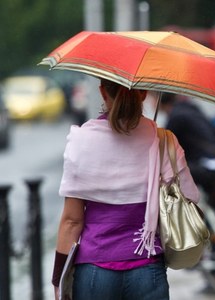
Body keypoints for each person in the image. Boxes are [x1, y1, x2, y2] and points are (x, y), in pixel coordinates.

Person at [52, 79, 200, 299]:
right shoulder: (163, 141)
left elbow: (72, 221)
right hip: (148, 270)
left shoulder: (81, 140)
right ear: (144, 94)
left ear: (103, 92)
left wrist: (58, 280)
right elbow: (190, 197)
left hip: (94, 272)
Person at [159, 93, 215, 292]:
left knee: (192, 209)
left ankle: (193, 246)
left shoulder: (176, 116)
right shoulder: (192, 109)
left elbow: (165, 150)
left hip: (204, 171)